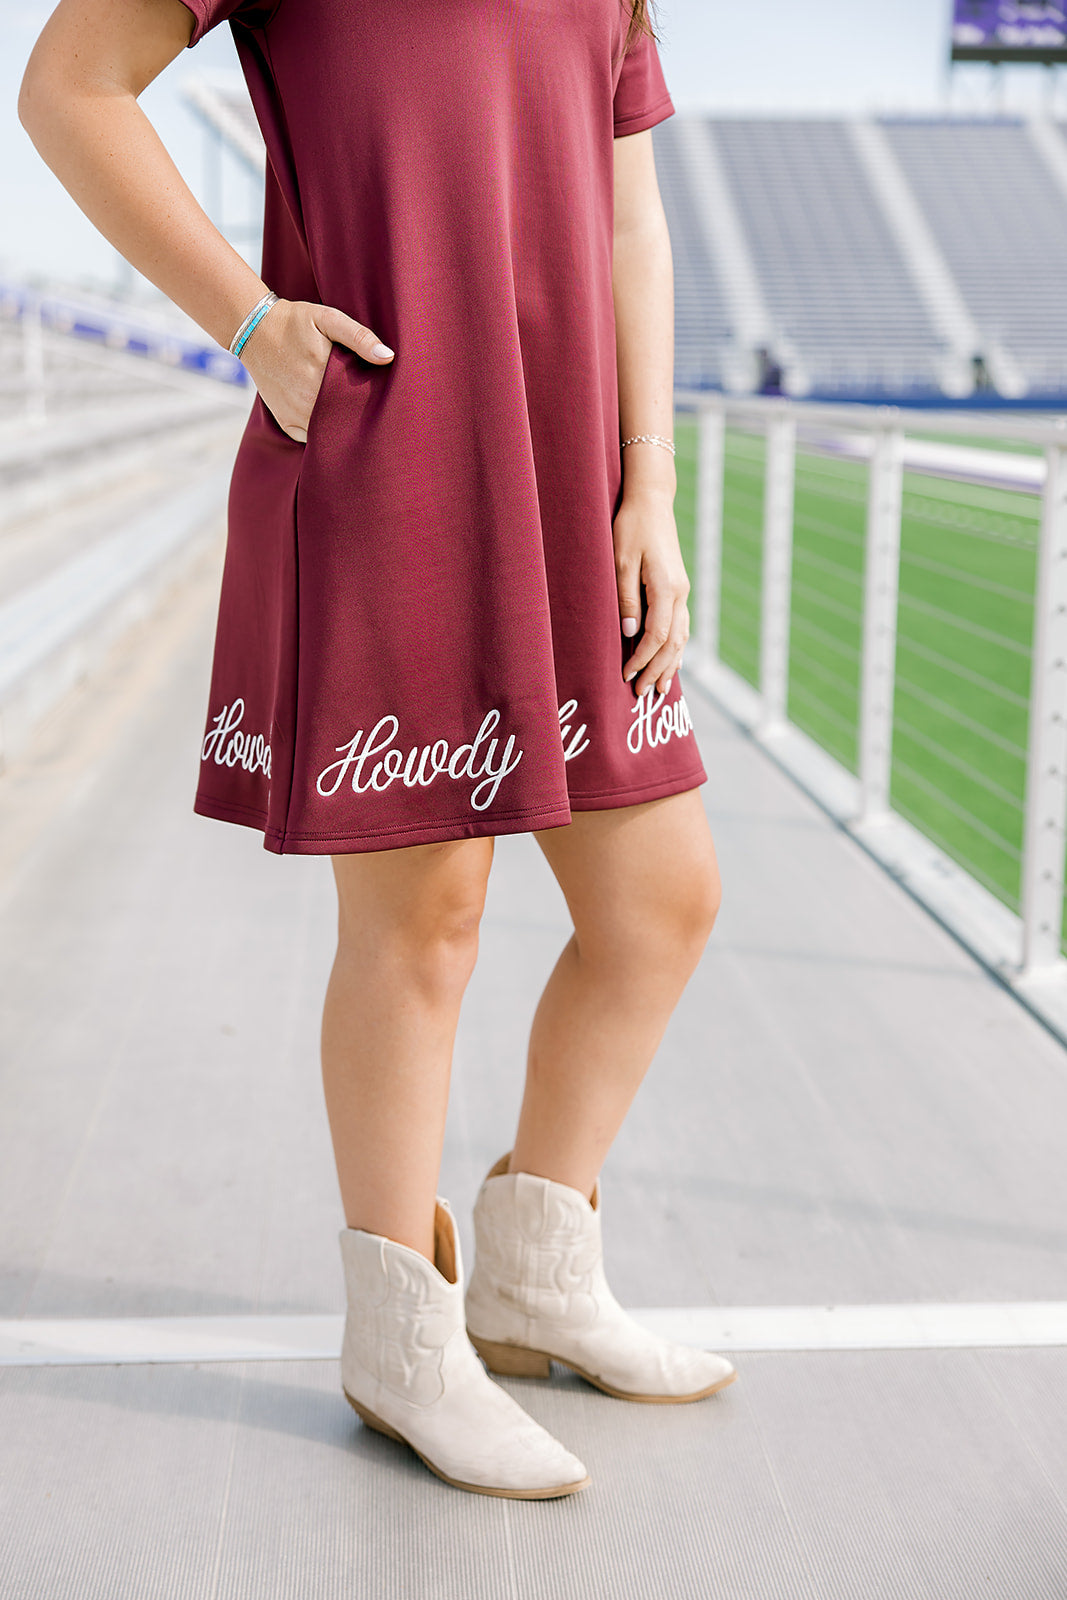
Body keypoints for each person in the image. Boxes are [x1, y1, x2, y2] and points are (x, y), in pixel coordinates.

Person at [19, 0, 736, 1501]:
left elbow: (631, 215)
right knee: (428, 921)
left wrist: (649, 486)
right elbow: (70, 88)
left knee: (661, 898)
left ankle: (536, 1267)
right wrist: (248, 320)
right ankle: (401, 1336)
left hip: (574, 478)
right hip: (396, 449)